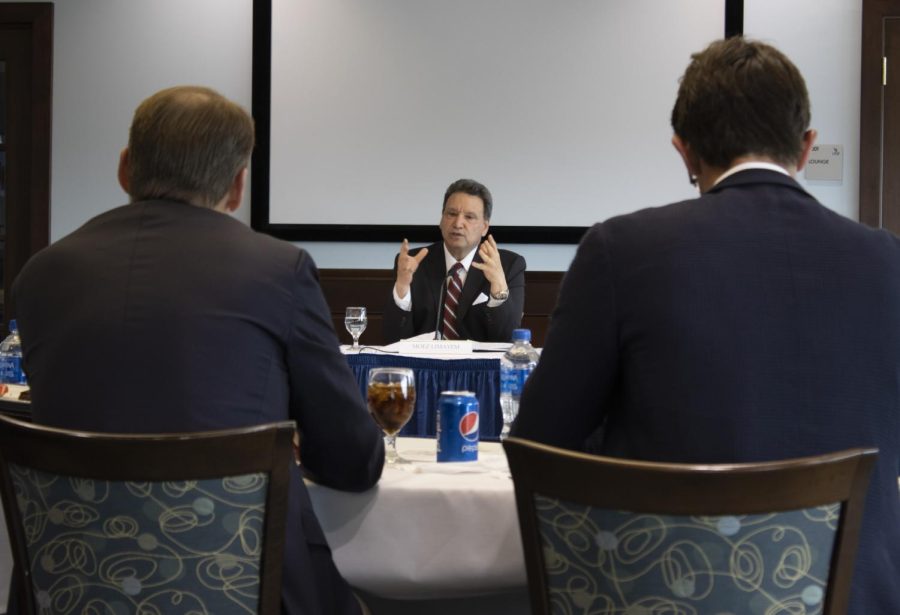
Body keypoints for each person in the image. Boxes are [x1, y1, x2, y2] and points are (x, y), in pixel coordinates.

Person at [511, 37, 900, 614]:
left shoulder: (619, 251)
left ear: (684, 151)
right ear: (805, 146)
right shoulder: (890, 263)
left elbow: (539, 448)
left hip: (660, 596)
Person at [10, 86, 384, 615]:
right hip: (241, 592)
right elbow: (353, 460)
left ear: (124, 170)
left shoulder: (38, 275)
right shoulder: (279, 271)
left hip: (70, 590)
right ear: (236, 187)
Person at [383, 178, 526, 343]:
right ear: (441, 219)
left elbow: (507, 340)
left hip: (478, 367)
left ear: (485, 227)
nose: (458, 223)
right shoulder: (414, 263)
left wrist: (499, 289)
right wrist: (401, 289)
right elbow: (391, 338)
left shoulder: (509, 265)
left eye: (469, 217)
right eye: (451, 214)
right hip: (424, 366)